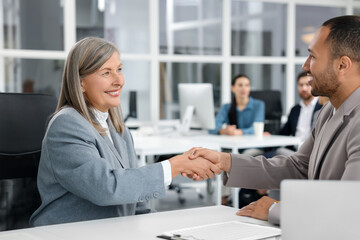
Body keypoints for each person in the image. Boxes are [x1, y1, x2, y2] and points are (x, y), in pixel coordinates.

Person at [187, 15, 360, 225]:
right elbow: (299, 167)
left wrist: (275, 209)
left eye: (313, 57)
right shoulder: (328, 111)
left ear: (342, 65)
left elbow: (350, 207)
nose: (306, 66)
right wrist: (225, 161)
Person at [30, 37, 221, 226]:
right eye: (106, 73)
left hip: (114, 231)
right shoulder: (67, 125)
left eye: (119, 70)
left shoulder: (118, 129)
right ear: (80, 83)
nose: (119, 81)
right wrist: (175, 166)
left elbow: (136, 203)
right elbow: (105, 187)